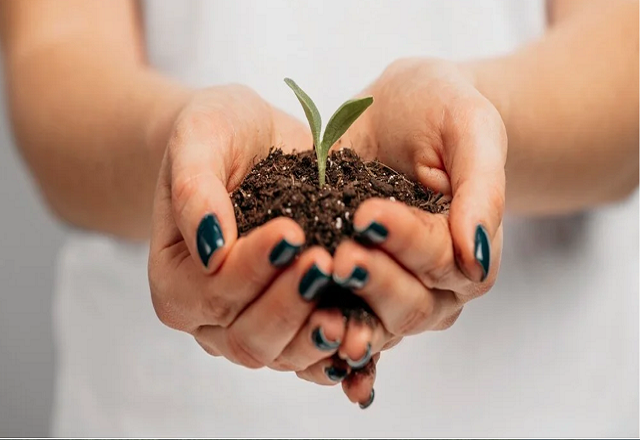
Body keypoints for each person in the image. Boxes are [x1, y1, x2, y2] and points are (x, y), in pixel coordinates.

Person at [0, 0, 637, 436]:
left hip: (543, 403)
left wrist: (477, 130)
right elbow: (57, 61)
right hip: (160, 409)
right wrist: (178, 154)